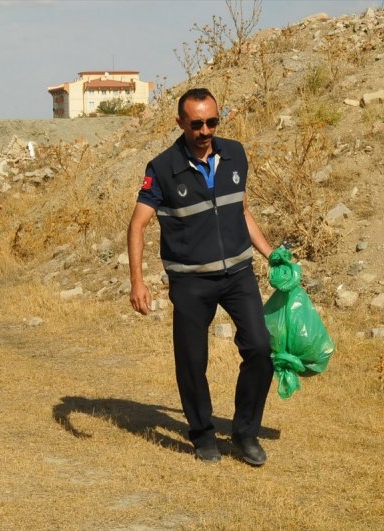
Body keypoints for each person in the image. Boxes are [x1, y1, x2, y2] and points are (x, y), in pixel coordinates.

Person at [126, 88, 274, 466]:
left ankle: (245, 433)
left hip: (238, 273)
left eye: (212, 121)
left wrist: (273, 256)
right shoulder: (161, 168)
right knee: (192, 361)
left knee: (260, 348)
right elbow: (138, 225)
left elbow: (241, 211)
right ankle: (202, 434)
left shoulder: (235, 153)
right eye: (197, 124)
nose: (205, 130)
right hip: (191, 282)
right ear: (180, 123)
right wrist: (138, 282)